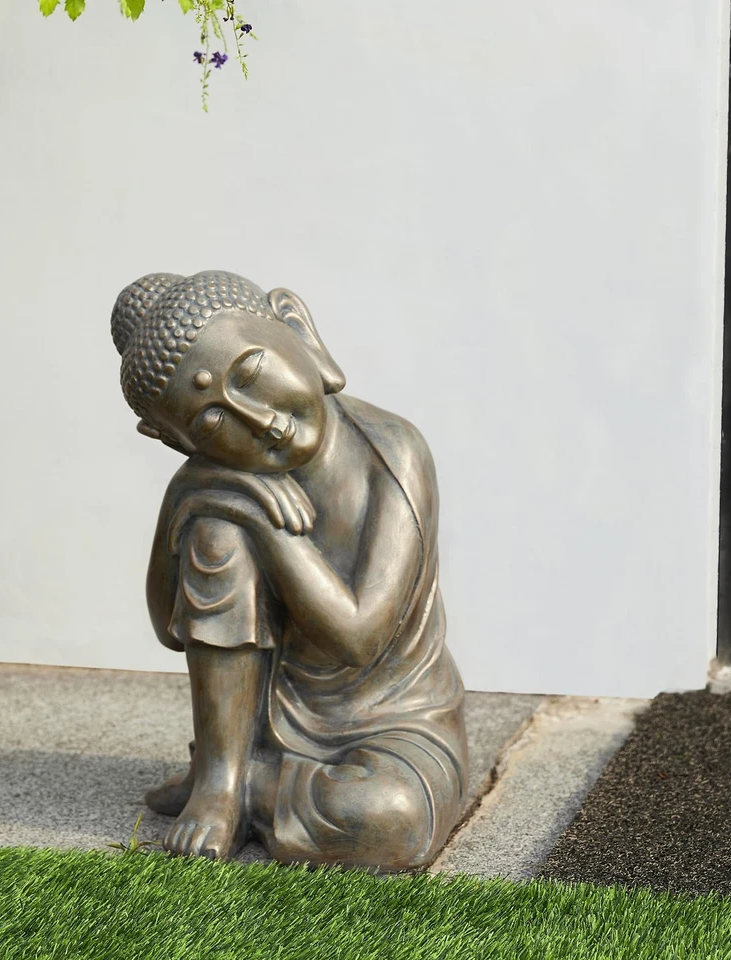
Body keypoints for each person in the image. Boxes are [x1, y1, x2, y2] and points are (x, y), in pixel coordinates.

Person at [111, 270, 468, 871]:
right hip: (264, 717)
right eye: (210, 423)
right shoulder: (214, 485)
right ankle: (221, 782)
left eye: (249, 373)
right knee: (216, 530)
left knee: (393, 818)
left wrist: (269, 527)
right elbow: (169, 628)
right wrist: (187, 499)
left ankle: (240, 782)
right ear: (174, 440)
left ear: (296, 327)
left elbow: (358, 638)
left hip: (390, 724)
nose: (258, 420)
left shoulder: (395, 451)